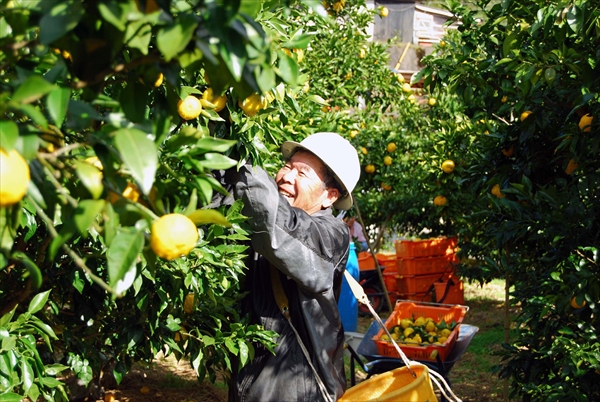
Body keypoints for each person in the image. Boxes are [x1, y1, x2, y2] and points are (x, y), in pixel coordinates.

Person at [221, 132, 360, 402]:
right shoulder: (258, 222)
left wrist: (239, 158)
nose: (285, 176)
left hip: (296, 389)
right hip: (251, 381)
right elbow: (227, 202)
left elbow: (282, 226)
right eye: (287, 166)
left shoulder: (330, 235)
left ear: (330, 196)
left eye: (302, 173)